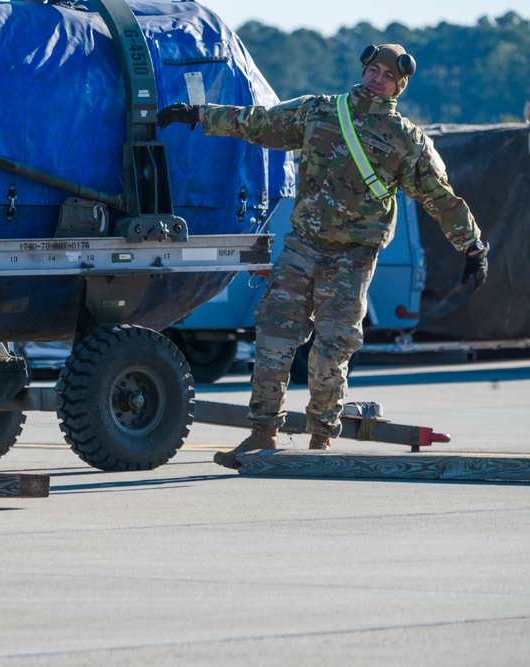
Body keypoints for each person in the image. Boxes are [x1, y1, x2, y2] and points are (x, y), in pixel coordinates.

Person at [156, 44, 489, 468]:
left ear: (398, 86)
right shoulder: (320, 111)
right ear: (364, 70)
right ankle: (261, 433)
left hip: (353, 258)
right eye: (373, 69)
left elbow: (440, 197)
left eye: (387, 75)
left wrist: (472, 245)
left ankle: (320, 440)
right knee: (274, 337)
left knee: (332, 348)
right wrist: (200, 115)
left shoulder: (407, 140)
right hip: (303, 246)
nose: (377, 78)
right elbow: (259, 123)